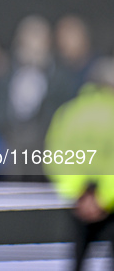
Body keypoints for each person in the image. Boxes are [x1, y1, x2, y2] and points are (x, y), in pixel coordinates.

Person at [45, 58, 114, 271]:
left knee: (77, 258)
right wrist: (104, 198)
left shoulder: (69, 113)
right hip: (109, 203)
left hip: (79, 203)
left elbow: (56, 156)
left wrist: (78, 193)